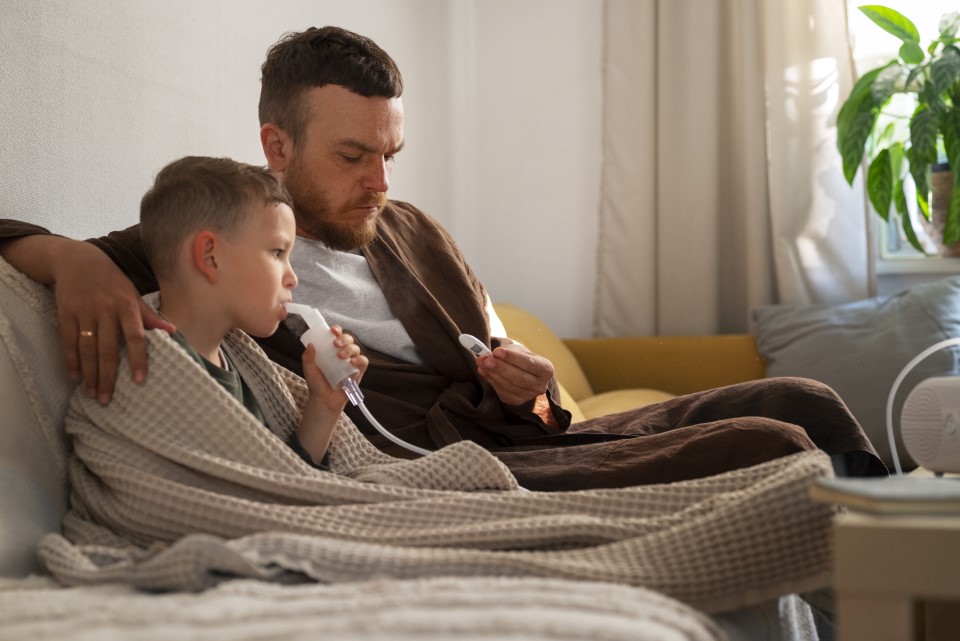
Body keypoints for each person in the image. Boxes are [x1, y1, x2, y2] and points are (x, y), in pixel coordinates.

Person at [0, 26, 886, 491]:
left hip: (537, 433)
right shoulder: (221, 243)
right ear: (277, 143)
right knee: (774, 442)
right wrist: (70, 258)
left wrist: (533, 383)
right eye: (353, 158)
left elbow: (530, 386)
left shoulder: (414, 230)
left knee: (802, 396)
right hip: (454, 467)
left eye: (391, 153)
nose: (380, 180)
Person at [127, 154, 368, 468]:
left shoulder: (236, 361)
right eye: (278, 252)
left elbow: (283, 479)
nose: (292, 277)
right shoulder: (156, 370)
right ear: (210, 257)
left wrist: (324, 407)